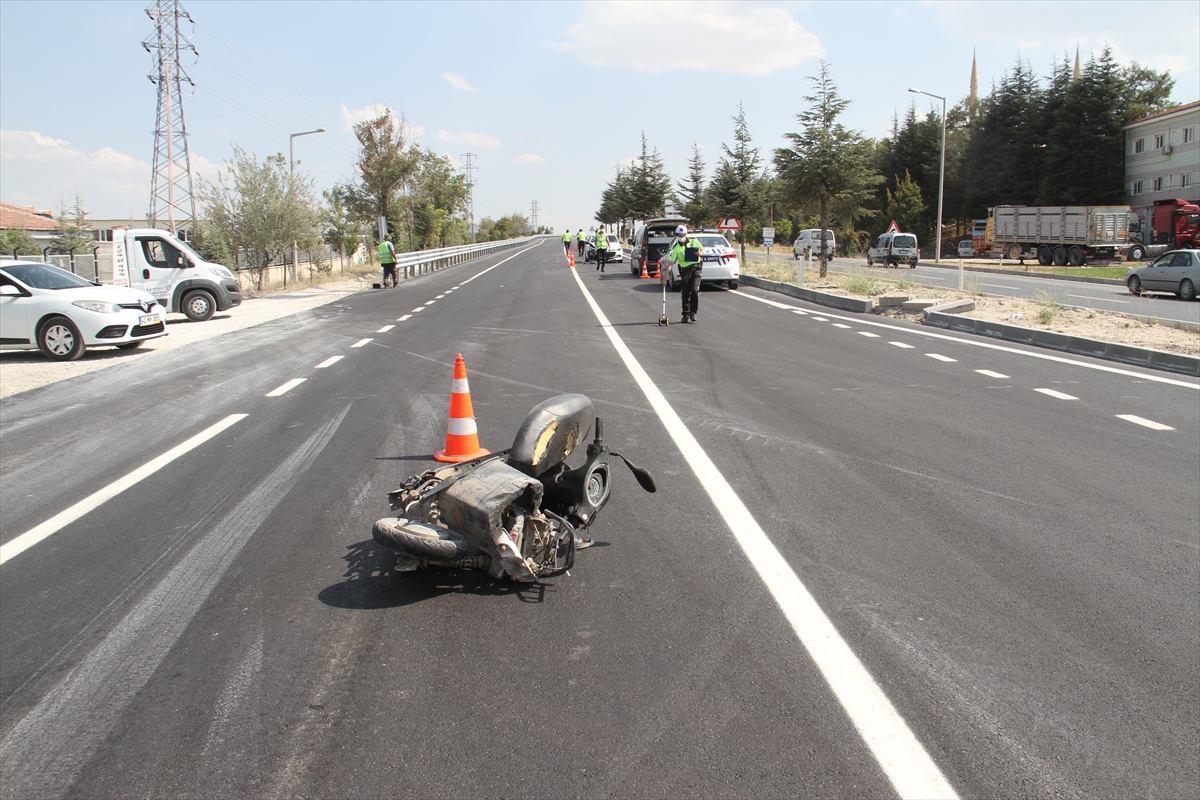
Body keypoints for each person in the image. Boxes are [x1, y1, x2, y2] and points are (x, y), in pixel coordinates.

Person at [669, 224, 704, 322]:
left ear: (686, 234)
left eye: (682, 235)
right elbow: (671, 262)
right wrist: (664, 277)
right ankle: (685, 314)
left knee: (694, 290)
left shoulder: (693, 241)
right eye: (679, 235)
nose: (681, 237)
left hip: (696, 267)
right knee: (685, 292)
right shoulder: (676, 248)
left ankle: (693, 313)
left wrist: (699, 253)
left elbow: (702, 249)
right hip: (685, 270)